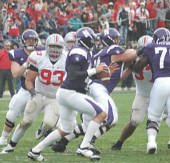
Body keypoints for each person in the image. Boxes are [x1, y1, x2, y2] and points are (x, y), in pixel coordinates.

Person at [27, 27, 111, 161]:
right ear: (86, 40)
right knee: (101, 113)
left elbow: (83, 76)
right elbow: (73, 75)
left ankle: (35, 151)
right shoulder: (79, 51)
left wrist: (100, 73)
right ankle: (84, 146)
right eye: (92, 39)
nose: (95, 42)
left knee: (66, 129)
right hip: (70, 93)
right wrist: (95, 70)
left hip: (67, 93)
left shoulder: (84, 52)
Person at [50, 28, 137, 154]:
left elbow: (117, 78)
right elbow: (131, 54)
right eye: (116, 38)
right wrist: (141, 50)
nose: (118, 41)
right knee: (111, 119)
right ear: (110, 39)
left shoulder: (100, 53)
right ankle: (88, 143)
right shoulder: (113, 49)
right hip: (98, 87)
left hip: (92, 87)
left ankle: (62, 143)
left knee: (89, 124)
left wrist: (130, 69)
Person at [0, 33, 66, 154]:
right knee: (21, 118)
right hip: (33, 92)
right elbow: (22, 77)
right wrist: (32, 91)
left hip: (53, 96)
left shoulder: (66, 58)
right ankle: (7, 141)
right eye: (52, 46)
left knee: (49, 123)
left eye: (58, 47)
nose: (55, 50)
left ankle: (43, 128)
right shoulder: (33, 56)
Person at [128, 27, 170, 154]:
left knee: (154, 116)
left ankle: (152, 142)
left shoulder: (151, 47)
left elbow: (138, 67)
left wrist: (129, 64)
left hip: (160, 83)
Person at [111, 35, 153, 150]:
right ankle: (119, 143)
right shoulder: (134, 58)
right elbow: (122, 76)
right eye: (143, 49)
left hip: (158, 94)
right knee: (134, 121)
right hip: (142, 94)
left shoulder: (157, 58)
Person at [0, 29, 40, 146]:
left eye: (33, 40)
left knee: (53, 114)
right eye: (29, 40)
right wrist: (27, 63)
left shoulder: (42, 52)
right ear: (23, 41)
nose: (31, 42)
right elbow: (16, 74)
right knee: (12, 114)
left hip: (42, 91)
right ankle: (3, 137)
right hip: (25, 90)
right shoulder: (17, 54)